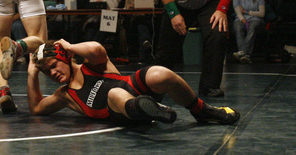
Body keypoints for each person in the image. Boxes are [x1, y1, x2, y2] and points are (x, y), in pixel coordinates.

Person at [27, 39, 240, 126]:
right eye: (46, 72)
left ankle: (201, 110)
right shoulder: (65, 95)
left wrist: (70, 46)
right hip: (120, 109)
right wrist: (32, 74)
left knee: (160, 73)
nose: (52, 73)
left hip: (130, 85)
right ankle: (145, 109)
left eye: (54, 65)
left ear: (65, 57)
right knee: (114, 95)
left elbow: (96, 49)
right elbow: (37, 108)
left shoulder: (92, 65)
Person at [123, 0, 158, 64]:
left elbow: (155, 6)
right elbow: (125, 9)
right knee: (140, 24)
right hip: (133, 20)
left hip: (148, 20)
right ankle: (146, 44)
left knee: (142, 24)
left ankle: (145, 47)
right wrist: (130, 7)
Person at [232, 0, 266, 64]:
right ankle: (245, 55)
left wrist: (247, 12)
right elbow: (238, 13)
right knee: (238, 27)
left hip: (256, 20)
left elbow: (262, 13)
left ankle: (243, 53)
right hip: (241, 19)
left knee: (253, 26)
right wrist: (244, 22)